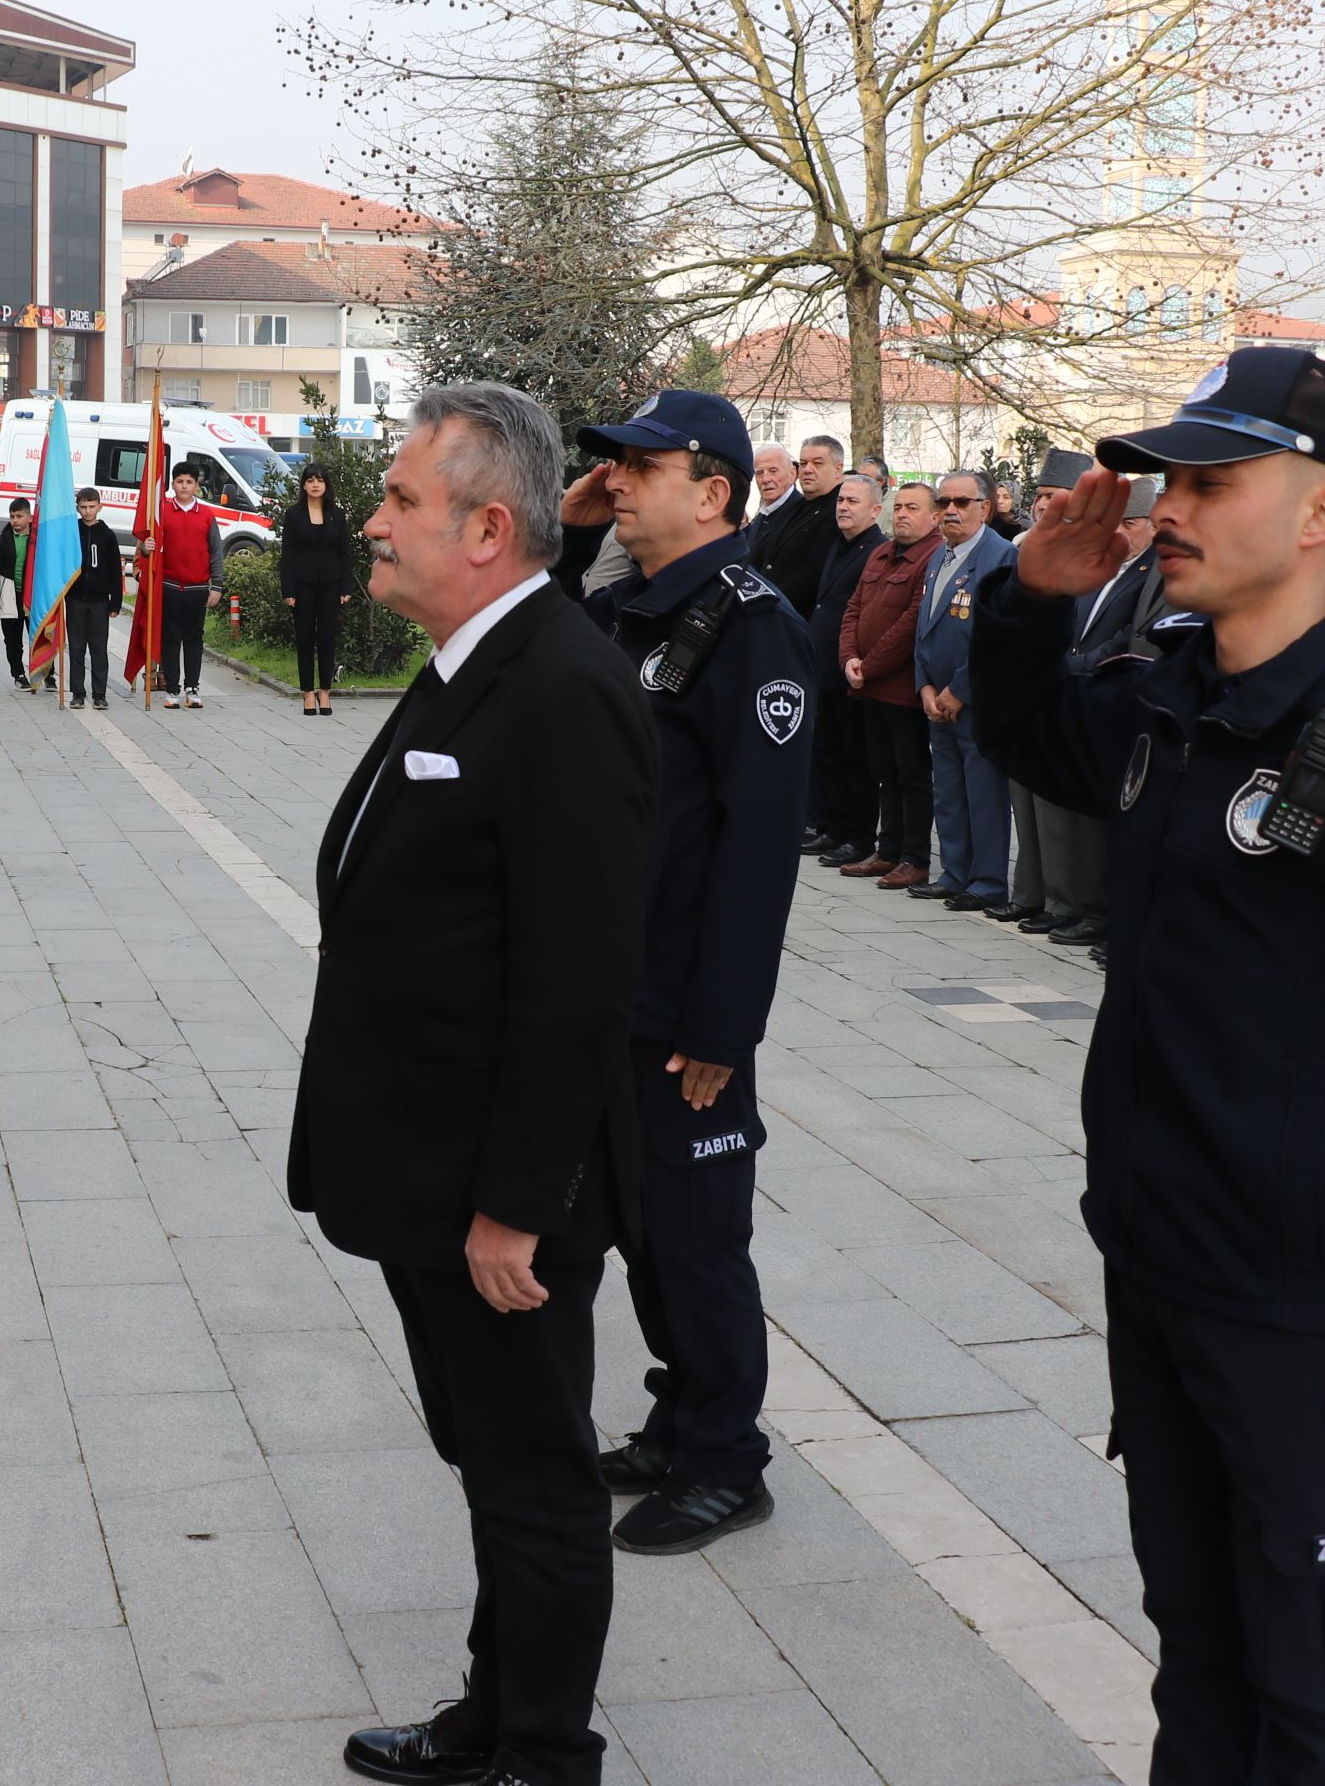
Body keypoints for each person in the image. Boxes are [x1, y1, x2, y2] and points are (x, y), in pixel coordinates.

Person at [975, 345, 1325, 1786]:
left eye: (1213, 483)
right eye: (1173, 479)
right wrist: (1030, 596)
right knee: (1197, 1642)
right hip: (1160, 1256)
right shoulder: (1173, 692)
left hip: (1301, 1300)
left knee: (1311, 1672)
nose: (1169, 508)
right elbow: (1028, 734)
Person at [289, 381, 654, 1786]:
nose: (375, 522)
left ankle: (545, 1754)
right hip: (430, 1169)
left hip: (496, 1199)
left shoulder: (563, 687)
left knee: (535, 1476)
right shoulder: (478, 660)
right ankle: (495, 1717)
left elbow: (580, 983)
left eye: (400, 499)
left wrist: (517, 1206)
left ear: (488, 529)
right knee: (494, 1463)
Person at [561, 387, 813, 1555]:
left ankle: (725, 1458)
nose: (615, 479)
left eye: (641, 466)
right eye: (611, 463)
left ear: (713, 492)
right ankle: (678, 1424)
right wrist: (569, 542)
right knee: (644, 1227)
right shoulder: (633, 604)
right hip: (615, 987)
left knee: (697, 1238)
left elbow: (759, 850)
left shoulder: (753, 625)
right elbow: (538, 660)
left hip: (683, 1010)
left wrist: (723, 1027)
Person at [1021, 481, 1160, 953]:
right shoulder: (1102, 566)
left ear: (1152, 526)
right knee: (1066, 812)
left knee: (1100, 819)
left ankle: (1096, 910)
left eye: (1130, 524)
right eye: (1114, 524)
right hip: (1075, 694)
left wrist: (1072, 666)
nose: (1120, 533)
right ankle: (1070, 902)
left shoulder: (1150, 572)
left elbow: (1130, 636)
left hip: (1110, 694)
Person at [914, 469, 1017, 915]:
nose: (950, 510)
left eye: (961, 502)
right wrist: (924, 685)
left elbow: (999, 637)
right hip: (937, 698)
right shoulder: (940, 555)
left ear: (985, 508)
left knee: (983, 793)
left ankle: (988, 881)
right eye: (944, 502)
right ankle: (954, 873)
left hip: (977, 700)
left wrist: (959, 689)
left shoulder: (1001, 558)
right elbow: (925, 627)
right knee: (949, 790)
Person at [838, 482, 936, 890]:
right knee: (885, 773)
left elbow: (911, 621)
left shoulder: (931, 556)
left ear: (933, 516)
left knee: (911, 775)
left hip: (901, 687)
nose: (902, 515)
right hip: (869, 685)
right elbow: (853, 608)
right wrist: (848, 658)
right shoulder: (881, 553)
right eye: (899, 508)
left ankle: (914, 858)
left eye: (913, 508)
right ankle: (888, 849)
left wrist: (869, 665)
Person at [808, 473, 887, 868]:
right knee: (831, 754)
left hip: (852, 671)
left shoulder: (877, 551)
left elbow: (866, 613)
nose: (843, 507)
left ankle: (859, 837)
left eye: (852, 501)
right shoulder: (836, 545)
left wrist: (853, 660)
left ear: (875, 510)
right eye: (841, 500)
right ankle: (834, 827)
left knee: (857, 760)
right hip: (825, 667)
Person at [142, 459, 224, 708]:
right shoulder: (162, 512)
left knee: (194, 639)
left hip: (197, 588)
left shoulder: (206, 514)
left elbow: (216, 551)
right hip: (169, 586)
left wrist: (217, 585)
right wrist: (146, 547)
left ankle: (192, 687)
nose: (185, 486)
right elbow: (147, 546)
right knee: (170, 638)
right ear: (172, 485)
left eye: (189, 482)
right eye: (180, 481)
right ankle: (172, 688)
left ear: (197, 486)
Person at [281, 459, 355, 714]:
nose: (315, 485)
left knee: (326, 638)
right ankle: (307, 693)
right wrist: (288, 590)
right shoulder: (294, 515)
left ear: (326, 485)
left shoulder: (337, 514)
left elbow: (345, 552)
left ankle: (325, 692)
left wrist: (346, 586)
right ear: (303, 485)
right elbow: (287, 555)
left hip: (331, 585)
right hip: (302, 585)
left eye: (320, 480)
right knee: (304, 639)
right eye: (310, 480)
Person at [747, 434, 844, 609]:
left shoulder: (838, 511)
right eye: (804, 463)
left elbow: (812, 575)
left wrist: (767, 602)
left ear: (838, 470)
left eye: (817, 463)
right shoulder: (801, 507)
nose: (807, 470)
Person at [63, 485, 122, 710]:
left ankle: (100, 694)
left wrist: (115, 602)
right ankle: (78, 693)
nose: (87, 511)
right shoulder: (72, 532)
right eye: (83, 507)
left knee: (98, 648)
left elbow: (115, 570)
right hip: (75, 598)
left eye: (91, 506)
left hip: (99, 600)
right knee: (76, 647)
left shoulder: (107, 535)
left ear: (100, 507)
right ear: (77, 508)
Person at [0, 497, 40, 692]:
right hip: (9, 595)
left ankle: (47, 672)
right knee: (12, 639)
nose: (15, 520)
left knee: (38, 636)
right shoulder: (2, 540)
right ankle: (18, 674)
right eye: (12, 516)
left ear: (30, 517)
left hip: (32, 596)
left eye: (19, 516)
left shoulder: (37, 540)